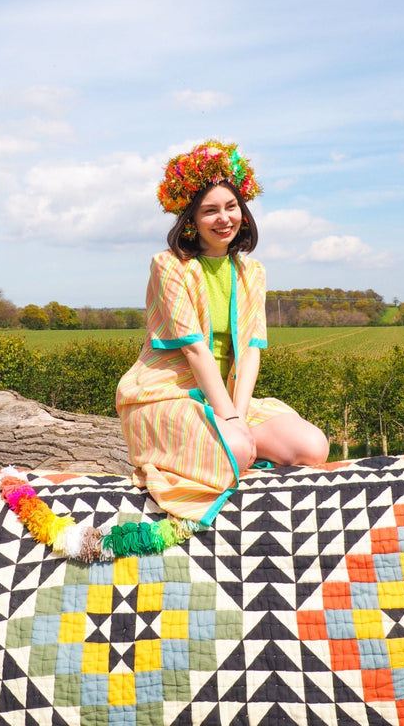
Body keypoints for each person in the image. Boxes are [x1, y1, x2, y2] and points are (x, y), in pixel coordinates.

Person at [116, 140, 329, 528]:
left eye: (230, 207)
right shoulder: (169, 266)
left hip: (228, 398)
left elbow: (250, 351)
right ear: (191, 220)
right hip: (167, 392)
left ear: (243, 213)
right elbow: (195, 350)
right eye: (209, 210)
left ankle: (235, 447)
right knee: (233, 445)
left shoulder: (253, 272)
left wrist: (239, 415)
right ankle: (221, 449)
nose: (223, 219)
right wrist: (230, 420)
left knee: (313, 447)